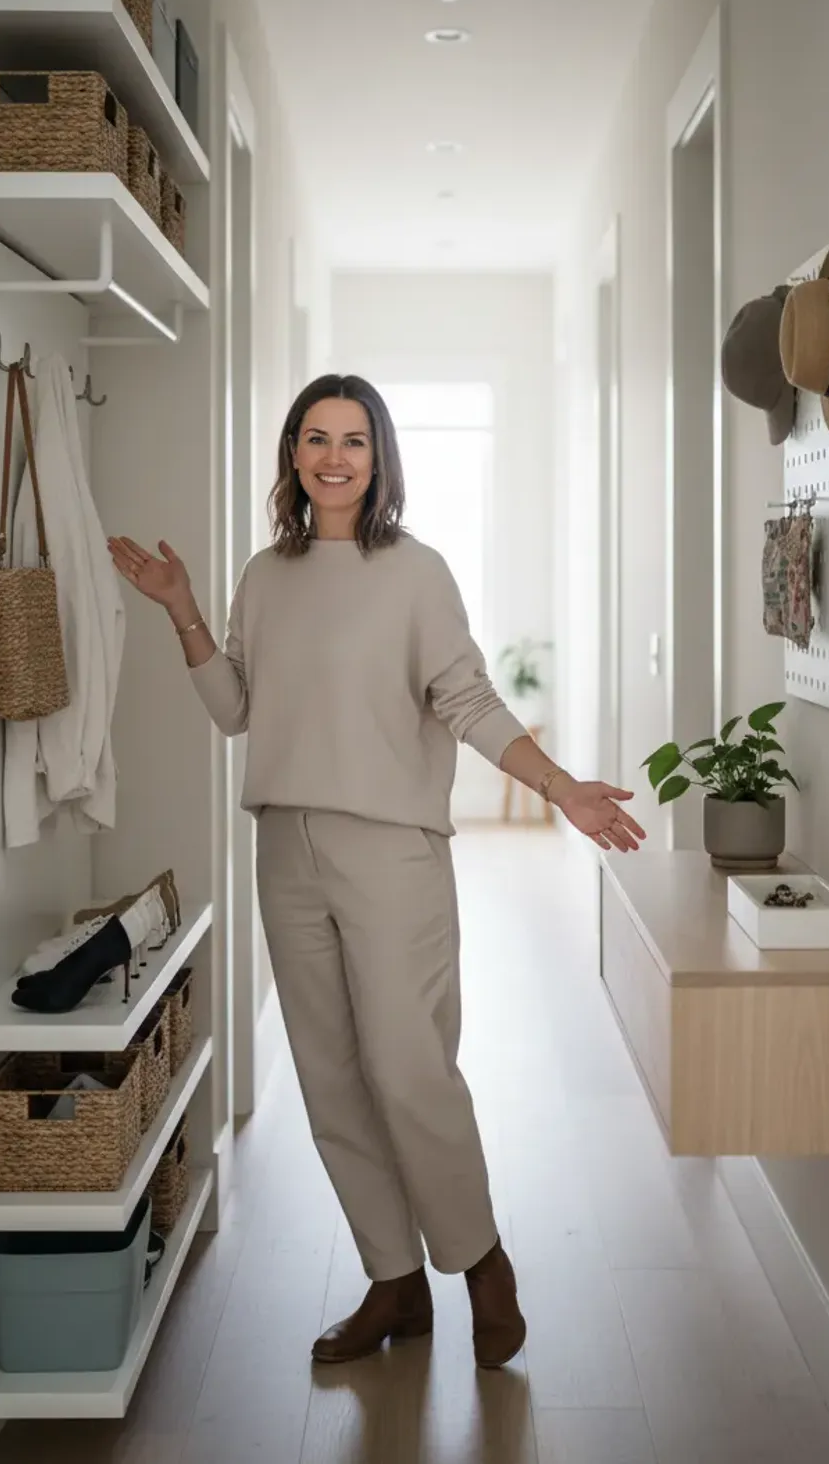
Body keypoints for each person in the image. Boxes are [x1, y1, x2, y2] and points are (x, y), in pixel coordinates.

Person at [109, 373, 644, 1369]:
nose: (335, 456)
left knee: (408, 1066)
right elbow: (235, 709)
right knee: (331, 1078)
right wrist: (180, 608)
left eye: (355, 440)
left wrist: (563, 786)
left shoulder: (417, 574)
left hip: (393, 851)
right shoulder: (266, 575)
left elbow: (472, 704)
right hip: (286, 847)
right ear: (294, 454)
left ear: (380, 457)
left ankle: (480, 1260)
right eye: (317, 437)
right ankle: (393, 1282)